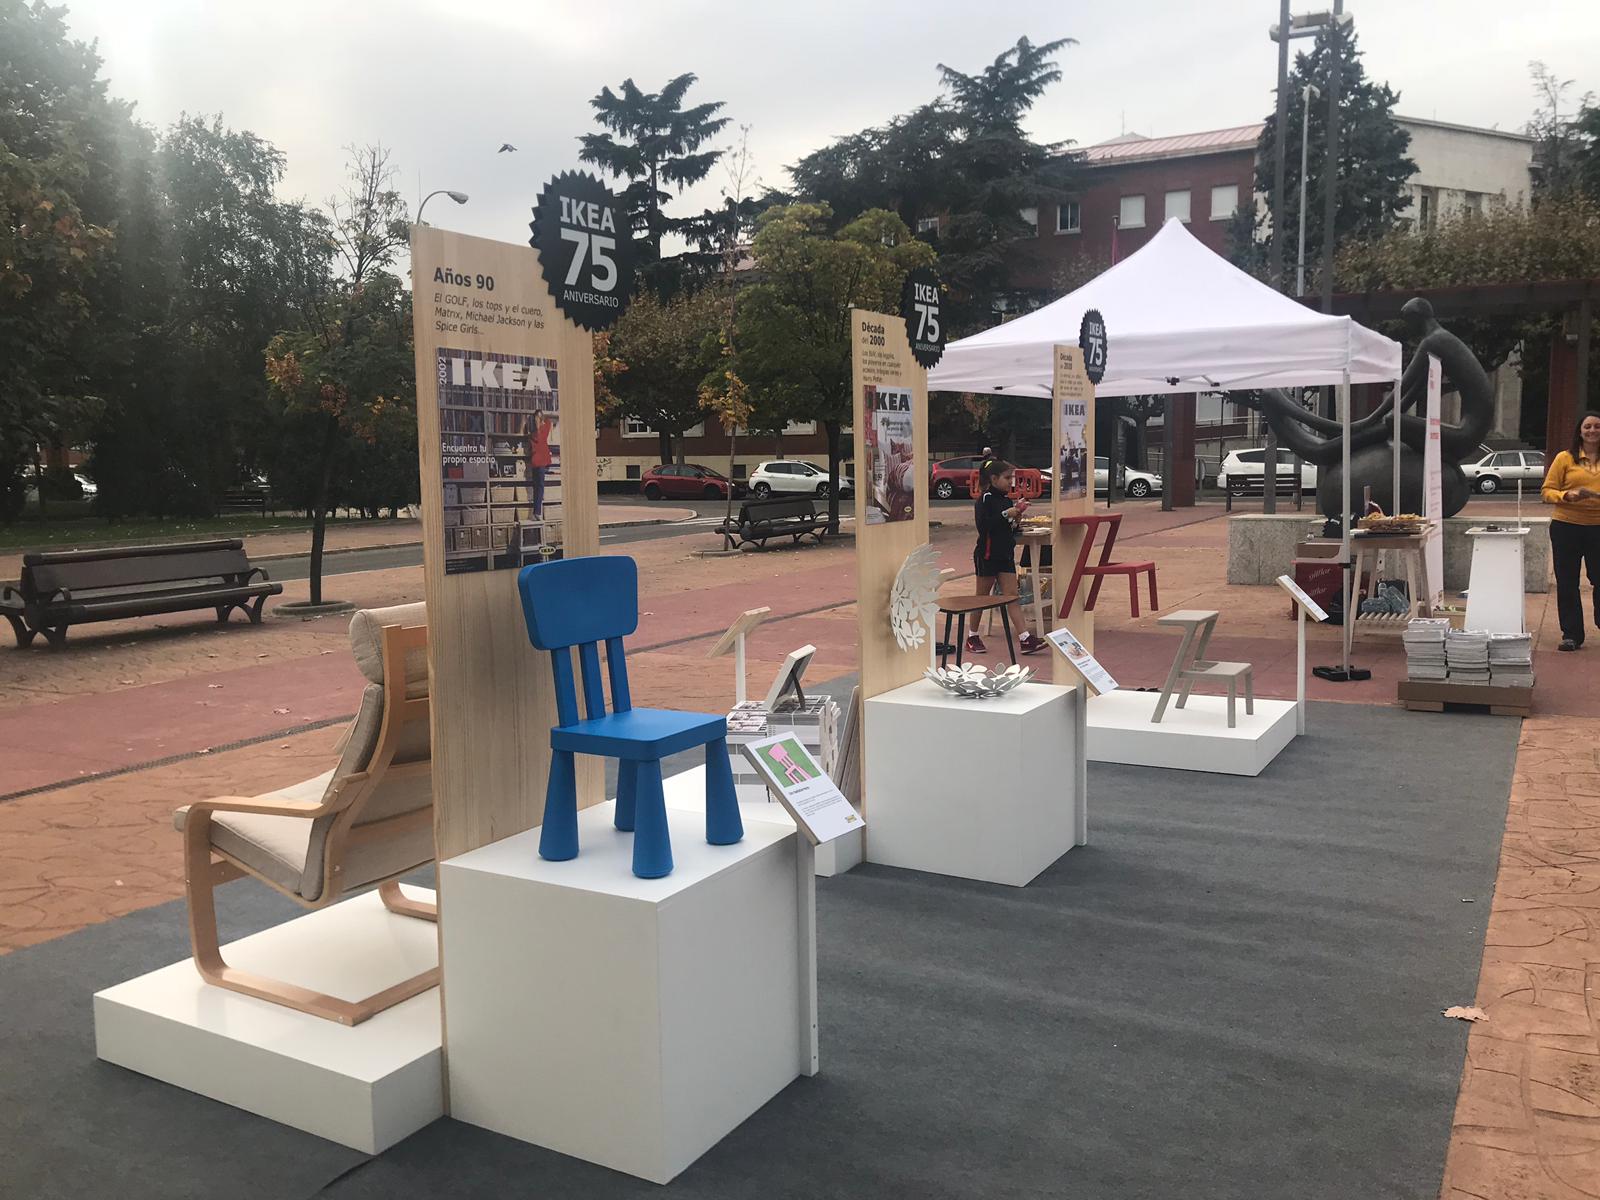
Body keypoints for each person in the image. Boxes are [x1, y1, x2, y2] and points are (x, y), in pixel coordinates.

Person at [970, 457, 1045, 656]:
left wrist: (1016, 516)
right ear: (993, 479)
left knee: (1012, 596)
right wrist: (1006, 514)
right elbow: (985, 526)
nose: (1010, 481)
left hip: (1005, 554)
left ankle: (1025, 638)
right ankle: (972, 635)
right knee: (982, 597)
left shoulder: (1005, 499)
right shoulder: (985, 499)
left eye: (1011, 477)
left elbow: (1009, 528)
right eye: (1006, 477)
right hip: (987, 555)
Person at [1542, 411, 1600, 651]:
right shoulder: (1565, 458)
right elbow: (1547, 491)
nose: (1592, 431)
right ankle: (1571, 634)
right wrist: (1567, 495)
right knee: (1567, 582)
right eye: (1587, 426)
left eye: (1597, 426)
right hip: (1566, 526)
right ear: (1579, 431)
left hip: (1598, 527)